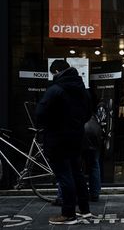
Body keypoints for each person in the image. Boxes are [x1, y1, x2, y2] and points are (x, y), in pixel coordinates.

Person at [36, 60, 92, 225]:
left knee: (64, 175)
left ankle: (68, 214)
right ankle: (84, 209)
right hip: (76, 137)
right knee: (77, 173)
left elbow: (40, 113)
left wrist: (51, 125)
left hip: (57, 139)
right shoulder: (83, 90)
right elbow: (88, 113)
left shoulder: (55, 90)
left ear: (57, 72)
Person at [82, 112, 103, 202]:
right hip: (94, 135)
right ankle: (95, 194)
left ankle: (80, 193)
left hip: (82, 134)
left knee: (78, 167)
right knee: (94, 165)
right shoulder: (93, 115)